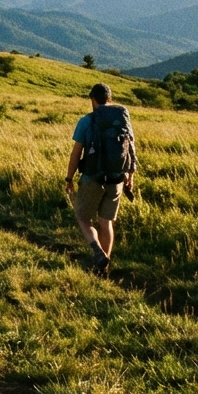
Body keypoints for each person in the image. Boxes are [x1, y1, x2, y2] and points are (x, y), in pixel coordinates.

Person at [64, 83, 137, 276]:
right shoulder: (121, 118)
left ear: (92, 99)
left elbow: (76, 153)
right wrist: (130, 176)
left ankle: (98, 253)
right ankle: (102, 267)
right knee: (106, 222)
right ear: (109, 99)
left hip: (92, 178)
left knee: (82, 217)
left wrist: (69, 178)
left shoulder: (87, 121)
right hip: (117, 178)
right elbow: (130, 148)